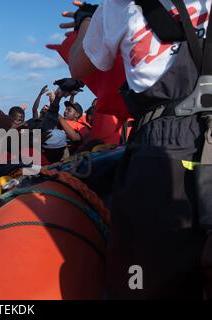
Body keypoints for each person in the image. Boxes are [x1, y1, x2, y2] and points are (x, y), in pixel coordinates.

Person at [62, 0, 212, 299]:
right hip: (173, 144)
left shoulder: (116, 6)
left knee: (137, 282)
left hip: (163, 150)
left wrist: (87, 20)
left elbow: (78, 66)